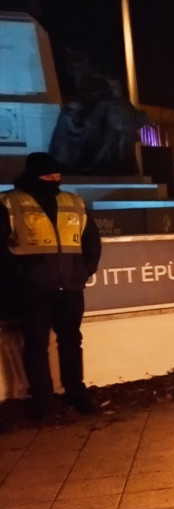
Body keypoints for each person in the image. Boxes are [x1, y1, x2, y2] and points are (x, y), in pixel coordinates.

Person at [0, 152, 102, 419]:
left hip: (70, 284)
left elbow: (91, 238)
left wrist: (86, 269)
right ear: (34, 176)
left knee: (71, 340)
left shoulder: (73, 201)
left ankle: (75, 391)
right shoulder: (9, 202)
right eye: (49, 175)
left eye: (58, 175)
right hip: (34, 289)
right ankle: (41, 399)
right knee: (36, 343)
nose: (55, 179)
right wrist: (21, 276)